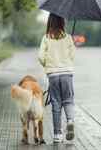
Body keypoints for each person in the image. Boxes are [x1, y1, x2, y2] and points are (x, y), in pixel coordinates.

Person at [38, 13, 76, 143]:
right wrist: (66, 62)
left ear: (50, 22)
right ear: (62, 22)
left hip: (53, 74)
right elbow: (72, 55)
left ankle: (57, 134)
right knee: (68, 100)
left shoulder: (46, 38)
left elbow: (40, 57)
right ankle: (70, 121)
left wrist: (47, 65)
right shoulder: (68, 38)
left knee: (56, 103)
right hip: (67, 74)